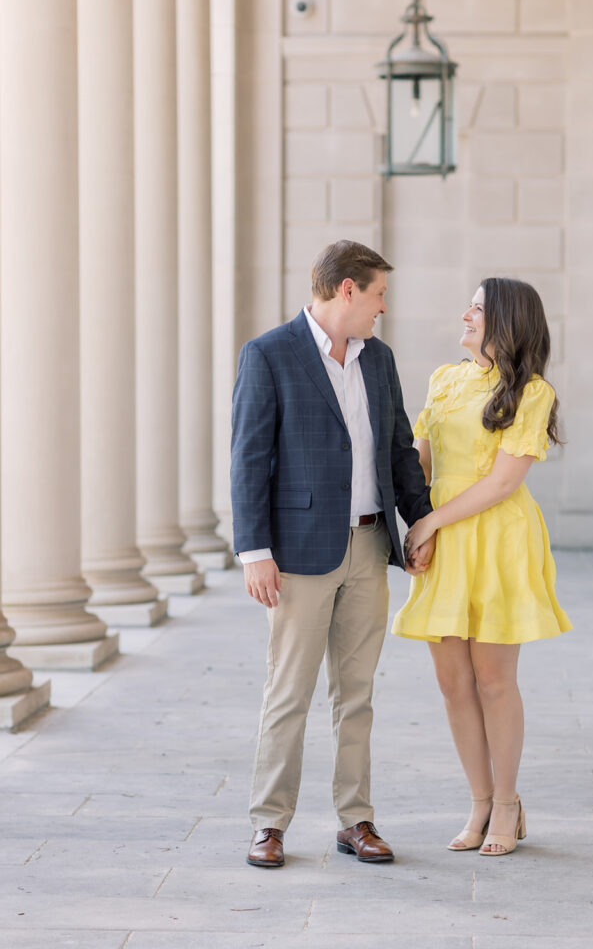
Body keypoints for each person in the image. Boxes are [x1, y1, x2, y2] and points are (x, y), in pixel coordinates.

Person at [231, 239, 435, 868]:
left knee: (356, 692)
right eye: (377, 295)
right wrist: (253, 550)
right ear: (347, 289)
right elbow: (248, 458)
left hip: (369, 545)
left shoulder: (379, 360)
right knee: (287, 690)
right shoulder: (269, 354)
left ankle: (356, 819)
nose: (381, 308)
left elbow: (401, 448)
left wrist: (419, 521)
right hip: (296, 553)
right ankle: (269, 823)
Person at [393, 277, 572, 857]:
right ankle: (478, 799)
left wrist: (431, 523)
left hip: (496, 539)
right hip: (441, 537)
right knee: (453, 683)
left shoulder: (533, 391)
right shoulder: (444, 379)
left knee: (494, 681)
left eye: (477, 307)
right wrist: (416, 523)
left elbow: (501, 483)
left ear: (506, 321)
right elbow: (419, 461)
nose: (465, 314)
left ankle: (506, 803)